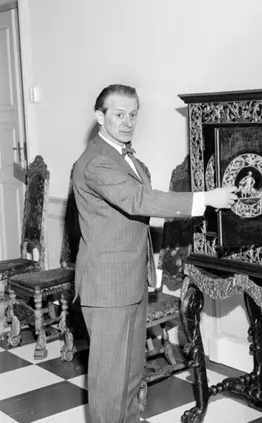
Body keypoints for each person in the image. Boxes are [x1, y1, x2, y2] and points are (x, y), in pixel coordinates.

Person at [72, 84, 237, 423]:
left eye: (133, 114)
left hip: (128, 280)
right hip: (107, 287)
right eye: (119, 114)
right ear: (100, 117)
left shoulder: (123, 155)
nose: (128, 122)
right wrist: (205, 199)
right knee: (110, 382)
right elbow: (139, 201)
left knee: (131, 374)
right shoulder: (98, 161)